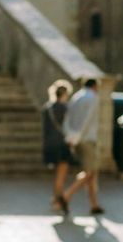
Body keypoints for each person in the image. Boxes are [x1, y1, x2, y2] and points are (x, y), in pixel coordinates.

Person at [60, 78, 104, 215]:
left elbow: (68, 117)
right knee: (90, 171)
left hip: (74, 137)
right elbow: (88, 119)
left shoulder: (76, 97)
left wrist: (69, 135)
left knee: (90, 172)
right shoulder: (93, 98)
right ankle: (67, 196)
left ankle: (94, 204)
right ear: (95, 86)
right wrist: (79, 136)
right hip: (87, 138)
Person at [42, 79, 74, 212]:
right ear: (65, 94)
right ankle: (58, 200)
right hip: (62, 144)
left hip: (49, 144)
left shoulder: (47, 108)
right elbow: (69, 127)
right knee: (61, 174)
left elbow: (45, 129)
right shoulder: (65, 108)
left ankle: (55, 199)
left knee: (57, 174)